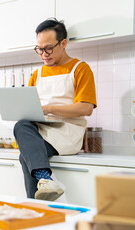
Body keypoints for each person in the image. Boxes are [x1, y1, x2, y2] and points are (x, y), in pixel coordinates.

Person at [13, 18, 97, 201]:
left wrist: (49, 108)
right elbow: (30, 108)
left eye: (48, 48)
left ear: (64, 43)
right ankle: (45, 182)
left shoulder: (80, 69)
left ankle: (36, 203)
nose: (43, 54)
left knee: (25, 157)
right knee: (21, 124)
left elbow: (86, 108)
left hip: (66, 131)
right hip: (41, 130)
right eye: (39, 49)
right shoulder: (38, 74)